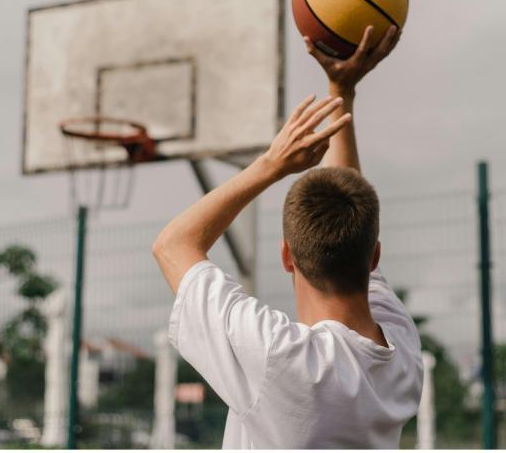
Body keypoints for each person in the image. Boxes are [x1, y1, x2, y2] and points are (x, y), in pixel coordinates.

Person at [152, 25, 423, 448]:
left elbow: (172, 244)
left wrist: (271, 165)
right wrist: (341, 91)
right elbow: (349, 199)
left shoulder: (279, 357)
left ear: (287, 256)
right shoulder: (401, 350)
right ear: (373, 257)